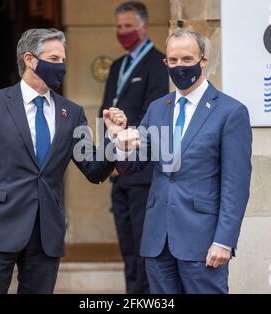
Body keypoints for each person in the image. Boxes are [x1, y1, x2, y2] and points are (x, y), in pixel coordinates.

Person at [0, 28, 126, 294]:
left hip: (46, 233)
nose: (61, 66)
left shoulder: (71, 113)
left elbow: (94, 171)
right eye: (55, 59)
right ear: (29, 59)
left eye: (63, 60)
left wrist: (113, 140)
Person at [112, 28, 252, 294]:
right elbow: (133, 166)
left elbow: (236, 186)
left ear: (203, 61)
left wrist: (224, 241)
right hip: (157, 240)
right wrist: (121, 144)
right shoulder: (157, 108)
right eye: (173, 61)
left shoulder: (231, 112)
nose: (179, 67)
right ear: (165, 63)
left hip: (203, 241)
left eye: (187, 59)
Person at [99, 1, 169, 294]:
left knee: (144, 248)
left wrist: (127, 154)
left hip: (143, 174)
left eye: (128, 26)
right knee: (127, 248)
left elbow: (150, 117)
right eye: (119, 27)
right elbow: (105, 114)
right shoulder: (117, 66)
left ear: (143, 27)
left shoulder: (158, 63)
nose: (123, 32)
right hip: (118, 174)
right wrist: (110, 162)